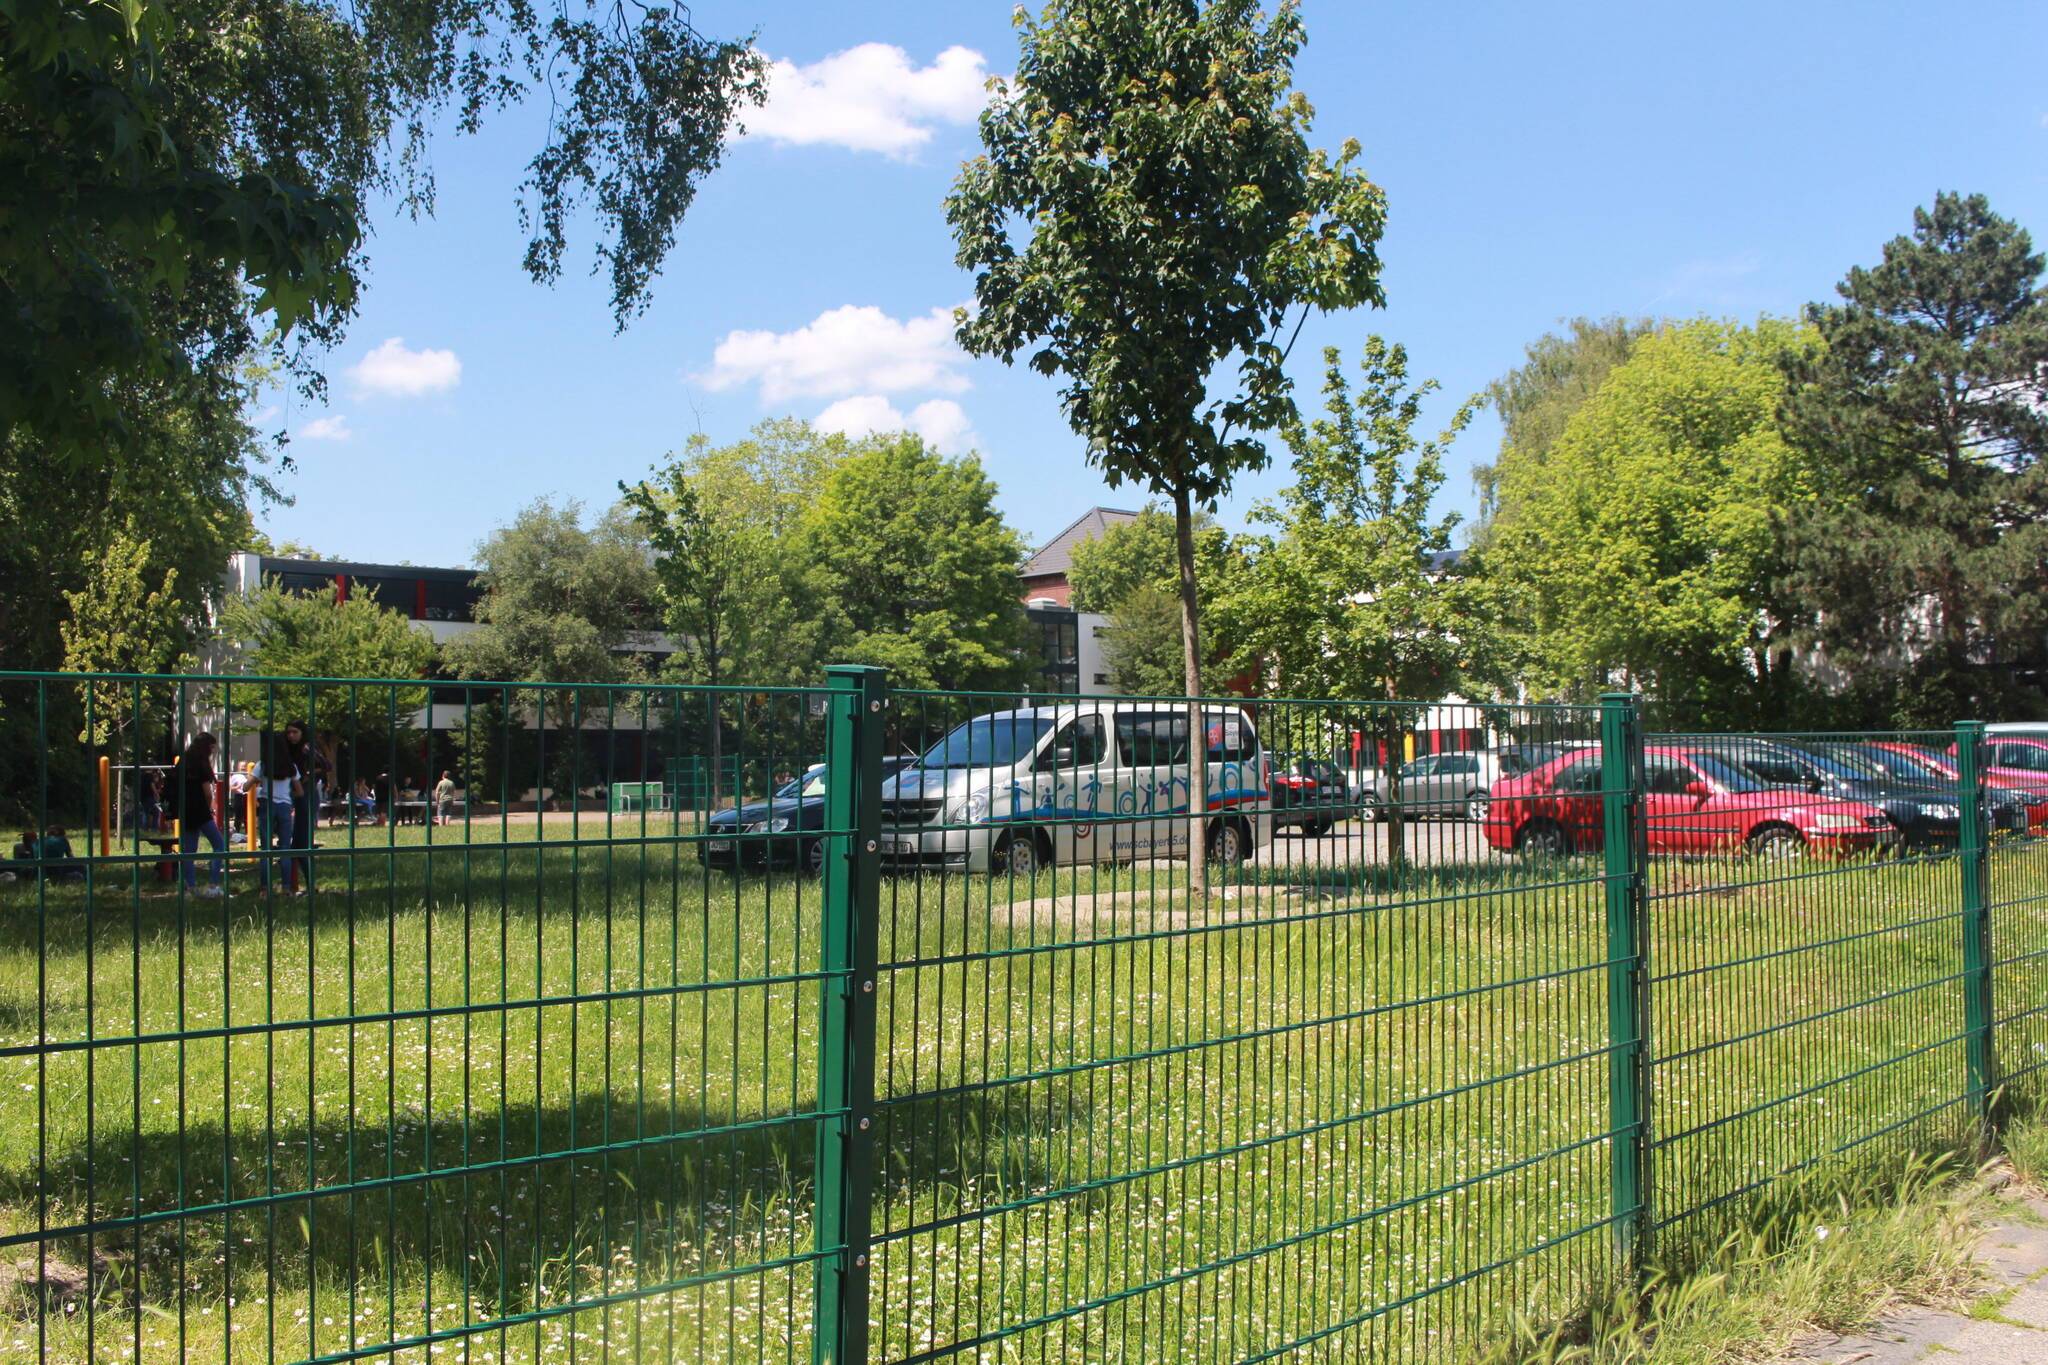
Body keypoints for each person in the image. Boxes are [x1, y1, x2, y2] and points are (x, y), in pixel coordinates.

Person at [169, 733, 226, 896]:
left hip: (185, 810)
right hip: (200, 810)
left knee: (189, 850)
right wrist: (208, 808)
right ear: (207, 747)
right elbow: (208, 793)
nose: (214, 750)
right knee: (219, 845)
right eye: (213, 747)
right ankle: (213, 884)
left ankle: (190, 886)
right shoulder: (201, 763)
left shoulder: (183, 762)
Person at [260, 726, 303, 893]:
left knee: (265, 849)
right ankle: (286, 887)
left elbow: (246, 785)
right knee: (285, 847)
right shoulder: (290, 766)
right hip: (285, 806)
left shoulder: (263, 765)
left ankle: (264, 888)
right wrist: (288, 795)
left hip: (267, 804)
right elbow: (300, 791)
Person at [291, 723, 327, 891]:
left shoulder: (306, 748)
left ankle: (309, 883)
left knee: (302, 842)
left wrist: (307, 776)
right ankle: (292, 883)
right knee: (293, 844)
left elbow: (326, 765)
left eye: (295, 732)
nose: (291, 735)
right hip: (290, 796)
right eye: (288, 732)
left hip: (305, 795)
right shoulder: (288, 749)